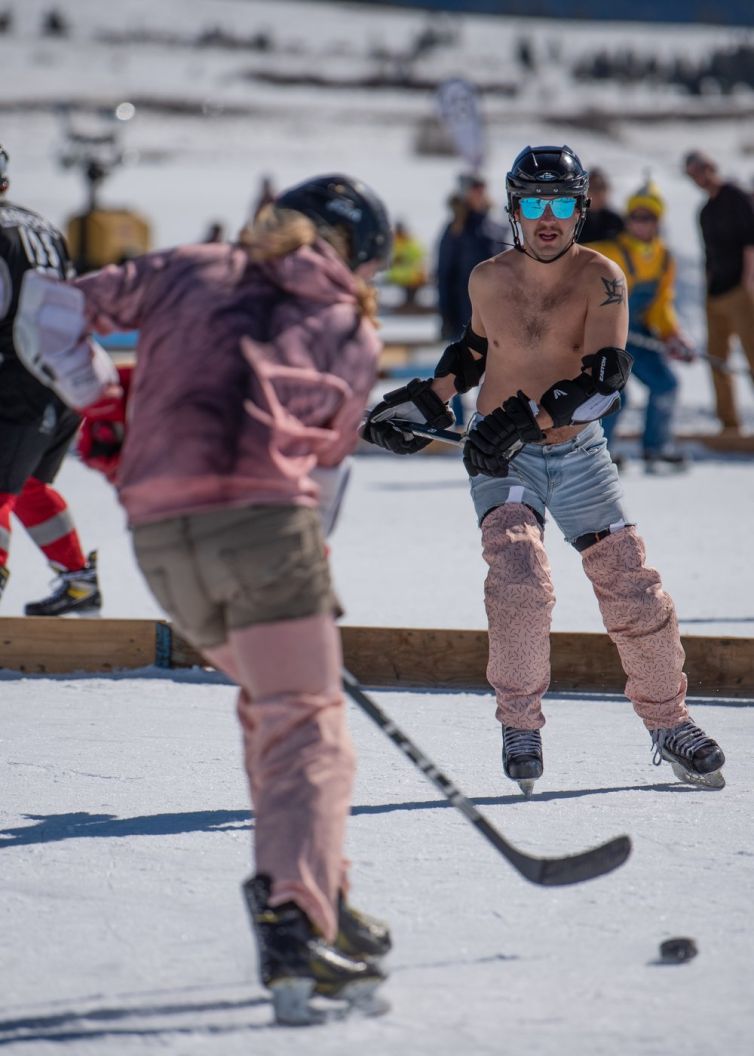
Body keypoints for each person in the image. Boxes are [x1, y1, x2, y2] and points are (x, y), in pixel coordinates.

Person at [14, 174, 393, 1025]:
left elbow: (47, 308)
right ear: (357, 257)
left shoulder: (192, 264)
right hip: (267, 533)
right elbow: (324, 480)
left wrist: (100, 402)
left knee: (278, 711)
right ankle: (297, 921)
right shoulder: (350, 328)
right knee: (307, 722)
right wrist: (306, 585)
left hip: (159, 536)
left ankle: (322, 895)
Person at [363, 144, 725, 797]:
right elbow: (474, 352)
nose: (548, 217)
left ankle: (669, 723)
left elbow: (604, 382)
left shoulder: (602, 277)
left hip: (579, 453)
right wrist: (424, 399)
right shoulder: (486, 277)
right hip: (502, 458)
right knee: (519, 577)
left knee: (632, 585)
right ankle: (520, 724)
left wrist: (525, 416)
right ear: (515, 210)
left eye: (561, 203)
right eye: (534, 203)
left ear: (581, 210)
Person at [0, 142, 100, 615]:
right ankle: (80, 585)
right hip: (65, 376)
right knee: (29, 487)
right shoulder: (42, 226)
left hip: (16, 380)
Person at [591, 180, 695, 471]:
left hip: (640, 336)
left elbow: (661, 305)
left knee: (667, 384)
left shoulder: (664, 258)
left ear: (657, 221)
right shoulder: (607, 253)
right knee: (615, 392)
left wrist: (673, 335)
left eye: (647, 217)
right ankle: (601, 453)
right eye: (635, 216)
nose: (640, 223)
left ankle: (656, 447)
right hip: (609, 338)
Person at [684, 149, 754, 434]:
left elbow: (751, 242)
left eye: (700, 170)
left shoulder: (737, 197)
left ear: (711, 167)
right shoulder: (705, 211)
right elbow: (708, 255)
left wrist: (749, 282)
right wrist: (707, 289)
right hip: (716, 293)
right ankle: (729, 425)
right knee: (717, 360)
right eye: (692, 175)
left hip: (742, 288)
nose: (699, 178)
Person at [436, 173, 507, 342]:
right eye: (474, 189)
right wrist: (446, 317)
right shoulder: (455, 230)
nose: (479, 193)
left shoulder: (494, 227)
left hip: (497, 312)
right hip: (465, 314)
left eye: (482, 189)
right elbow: (444, 276)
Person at [385, 220, 427, 308]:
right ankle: (409, 304)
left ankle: (410, 303)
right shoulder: (394, 242)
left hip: (410, 276)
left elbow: (419, 256)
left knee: (412, 287)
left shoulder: (410, 242)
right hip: (401, 276)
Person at [577, 166, 624, 244]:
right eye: (593, 188)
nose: (597, 193)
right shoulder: (575, 219)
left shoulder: (616, 221)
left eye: (601, 188)